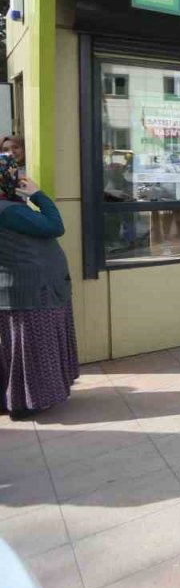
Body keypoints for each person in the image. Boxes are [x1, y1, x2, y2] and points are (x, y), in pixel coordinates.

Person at [0, 158, 77, 419]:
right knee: (31, 351)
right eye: (14, 174)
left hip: (24, 292)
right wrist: (38, 195)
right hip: (32, 293)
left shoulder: (11, 209)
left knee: (17, 351)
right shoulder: (9, 211)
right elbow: (55, 226)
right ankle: (25, 403)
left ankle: (15, 400)